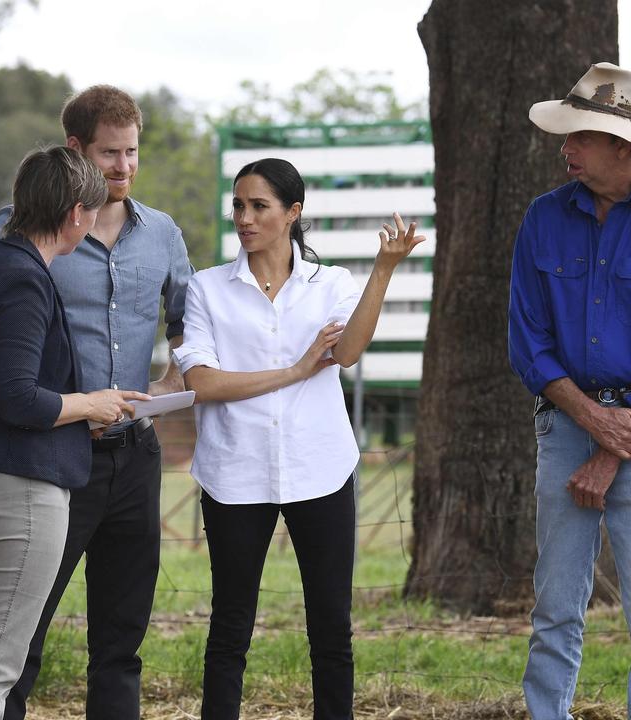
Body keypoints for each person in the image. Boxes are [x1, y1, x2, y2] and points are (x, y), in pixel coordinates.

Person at [0, 85, 194, 720]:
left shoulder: (164, 234)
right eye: (109, 153)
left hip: (134, 456)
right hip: (50, 455)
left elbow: (187, 321)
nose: (123, 167)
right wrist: (0, 372)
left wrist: (177, 380)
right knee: (18, 639)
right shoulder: (29, 229)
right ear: (76, 151)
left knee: (121, 643)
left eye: (132, 152)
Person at [172, 157, 424, 719]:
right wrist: (295, 369)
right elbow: (204, 383)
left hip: (321, 471)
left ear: (293, 213)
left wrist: (384, 268)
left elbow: (349, 353)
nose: (244, 217)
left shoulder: (331, 284)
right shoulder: (207, 289)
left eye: (259, 206)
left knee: (331, 629)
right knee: (230, 627)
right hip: (234, 476)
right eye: (238, 205)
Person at [507, 62, 631, 720]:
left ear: (624, 147)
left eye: (581, 138)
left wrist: (611, 444)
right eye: (567, 136)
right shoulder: (542, 220)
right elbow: (527, 340)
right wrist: (593, 422)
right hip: (569, 424)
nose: (565, 148)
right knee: (554, 608)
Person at [0, 145, 142, 720]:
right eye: (93, 213)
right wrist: (92, 403)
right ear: (76, 214)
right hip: (18, 492)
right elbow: (19, 397)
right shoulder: (25, 278)